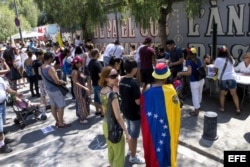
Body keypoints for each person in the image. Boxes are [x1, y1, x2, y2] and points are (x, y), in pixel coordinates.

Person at [141, 63, 181, 167]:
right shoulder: (171, 90)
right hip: (167, 127)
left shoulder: (147, 90)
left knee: (152, 147)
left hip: (151, 127)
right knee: (165, 147)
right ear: (167, 76)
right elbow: (176, 109)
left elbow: (143, 108)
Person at [99, 66, 130, 167]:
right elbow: (118, 117)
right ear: (106, 78)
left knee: (111, 150)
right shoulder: (112, 95)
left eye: (117, 75)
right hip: (115, 127)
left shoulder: (102, 91)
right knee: (119, 155)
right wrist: (126, 132)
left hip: (106, 125)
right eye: (113, 76)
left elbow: (104, 111)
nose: (116, 77)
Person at [119, 59, 145, 164]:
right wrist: (141, 92)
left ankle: (131, 150)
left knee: (130, 132)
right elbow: (138, 102)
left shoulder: (122, 80)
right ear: (134, 69)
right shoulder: (134, 83)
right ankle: (133, 156)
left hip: (125, 110)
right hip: (134, 113)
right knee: (134, 136)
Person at [41, 52, 69, 128]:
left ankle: (57, 121)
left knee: (53, 105)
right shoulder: (50, 68)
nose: (52, 60)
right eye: (52, 59)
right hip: (55, 90)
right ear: (49, 58)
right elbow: (57, 81)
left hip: (48, 89)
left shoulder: (42, 67)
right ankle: (61, 123)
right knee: (61, 106)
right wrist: (63, 82)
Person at [0, 58, 23, 153]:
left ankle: (3, 140)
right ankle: (2, 146)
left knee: (2, 124)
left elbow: (7, 88)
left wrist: (16, 94)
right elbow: (8, 70)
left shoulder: (0, 78)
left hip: (2, 104)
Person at [177, 47, 205, 116]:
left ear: (188, 54)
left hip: (194, 81)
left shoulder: (189, 61)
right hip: (201, 80)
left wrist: (180, 73)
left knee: (195, 96)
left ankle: (196, 111)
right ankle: (198, 106)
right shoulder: (198, 59)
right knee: (199, 94)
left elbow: (189, 72)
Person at [214, 46, 240, 114]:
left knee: (222, 94)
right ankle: (238, 109)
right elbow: (232, 65)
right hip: (231, 77)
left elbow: (216, 70)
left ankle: (222, 108)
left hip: (223, 78)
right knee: (234, 94)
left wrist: (216, 73)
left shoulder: (218, 59)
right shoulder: (230, 58)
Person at [71, 56, 91, 124]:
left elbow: (82, 76)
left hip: (80, 89)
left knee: (82, 102)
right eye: (80, 62)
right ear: (76, 63)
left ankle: (81, 114)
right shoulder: (75, 71)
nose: (81, 63)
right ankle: (82, 118)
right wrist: (84, 87)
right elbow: (75, 82)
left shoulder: (78, 70)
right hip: (78, 89)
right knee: (81, 103)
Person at [88, 48, 103, 116]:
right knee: (101, 99)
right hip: (99, 83)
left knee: (96, 98)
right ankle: (103, 112)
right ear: (97, 54)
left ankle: (97, 110)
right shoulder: (97, 63)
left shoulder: (90, 63)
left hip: (94, 82)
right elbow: (100, 75)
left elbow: (89, 75)